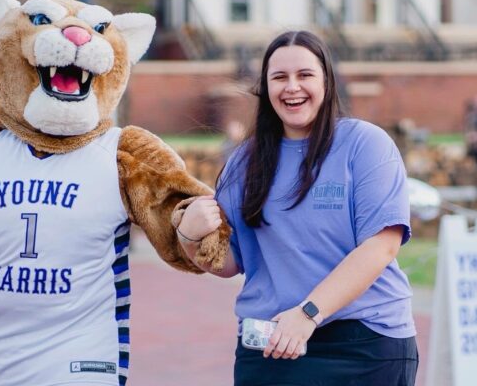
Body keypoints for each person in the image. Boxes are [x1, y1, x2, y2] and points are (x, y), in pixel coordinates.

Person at [175, 31, 418, 386]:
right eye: (279, 77)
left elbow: (382, 245)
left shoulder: (365, 145)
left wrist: (308, 314)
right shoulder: (244, 161)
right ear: (266, 87)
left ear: (326, 81)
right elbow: (230, 263)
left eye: (305, 75)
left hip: (365, 343)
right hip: (272, 345)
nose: (292, 87)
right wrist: (188, 237)